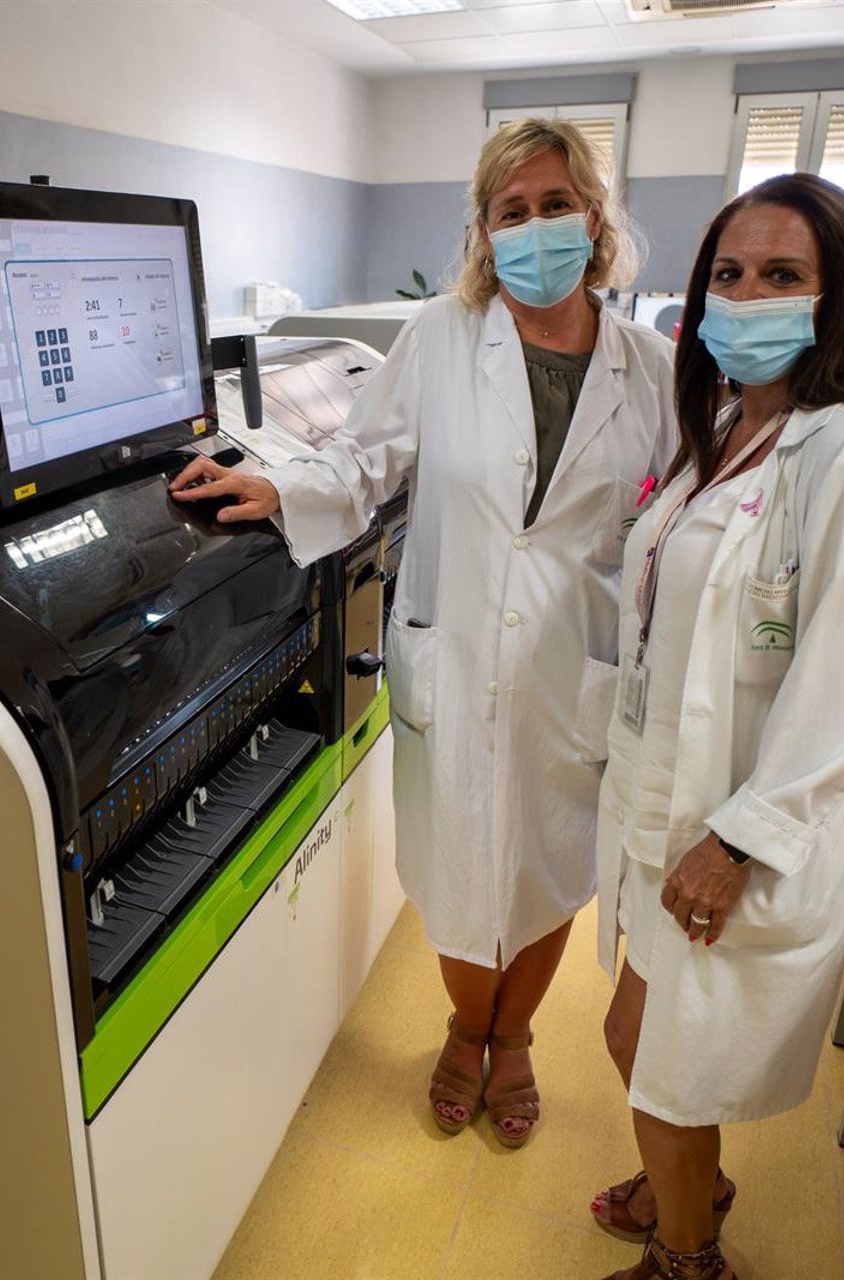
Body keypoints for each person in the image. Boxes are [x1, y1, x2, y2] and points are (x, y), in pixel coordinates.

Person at [171, 119, 677, 1148]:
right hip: (456, 654)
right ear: (485, 231)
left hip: (571, 666)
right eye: (512, 210)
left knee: (547, 865)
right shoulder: (441, 337)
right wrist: (274, 483)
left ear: (596, 217)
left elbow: (677, 515)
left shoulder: (651, 366)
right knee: (455, 868)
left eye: (556, 205)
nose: (537, 227)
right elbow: (365, 463)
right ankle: (461, 1030)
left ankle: (519, 1035)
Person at [586, 173, 844, 1280]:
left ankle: (689, 1254)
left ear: (837, 299)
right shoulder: (736, 424)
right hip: (666, 792)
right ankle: (688, 1175)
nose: (745, 297)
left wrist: (739, 837)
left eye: (781, 275)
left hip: (731, 825)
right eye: (729, 275)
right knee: (649, 1040)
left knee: (654, 1047)